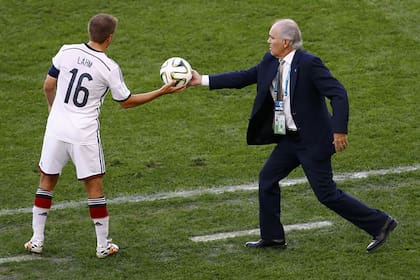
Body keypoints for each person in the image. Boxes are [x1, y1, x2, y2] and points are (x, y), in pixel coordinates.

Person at [188, 18, 397, 252]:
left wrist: (339, 131)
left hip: (313, 141)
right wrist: (201, 80)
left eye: (272, 37)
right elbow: (244, 77)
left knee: (326, 194)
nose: (268, 41)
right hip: (289, 139)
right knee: (267, 179)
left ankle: (381, 223)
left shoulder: (309, 64)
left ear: (286, 42)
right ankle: (273, 237)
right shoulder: (270, 61)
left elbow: (338, 94)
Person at [24, 13, 185, 258]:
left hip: (55, 129)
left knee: (46, 181)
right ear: (109, 38)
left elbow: (48, 85)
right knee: (94, 188)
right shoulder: (109, 67)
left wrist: (52, 109)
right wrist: (162, 91)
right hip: (84, 135)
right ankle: (102, 246)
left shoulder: (66, 51)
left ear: (89, 31)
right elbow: (127, 102)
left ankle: (36, 240)